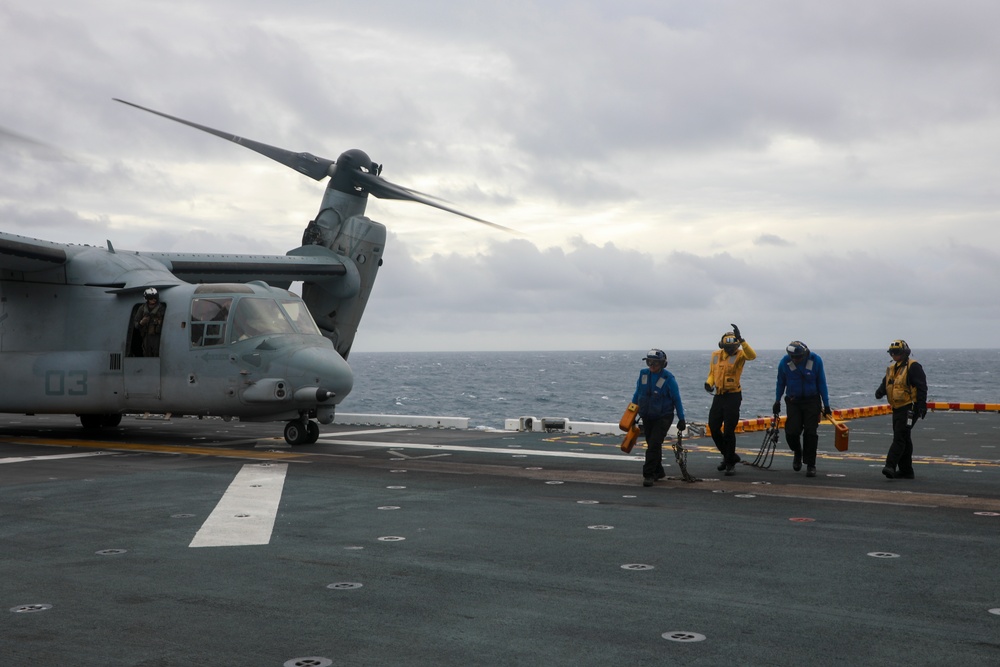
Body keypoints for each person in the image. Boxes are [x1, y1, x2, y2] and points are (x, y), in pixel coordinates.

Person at [774, 341, 831, 478]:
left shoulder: (815, 360)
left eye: (798, 357)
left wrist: (827, 404)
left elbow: (821, 382)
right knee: (792, 432)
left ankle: (811, 464)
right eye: (793, 357)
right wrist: (777, 401)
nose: (795, 360)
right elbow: (780, 382)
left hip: (812, 401)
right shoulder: (785, 362)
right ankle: (797, 451)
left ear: (804, 354)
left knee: (811, 433)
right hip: (794, 402)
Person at [705, 324, 756, 476]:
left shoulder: (740, 355)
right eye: (727, 347)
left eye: (732, 347)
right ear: (722, 345)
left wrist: (742, 340)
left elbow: (752, 355)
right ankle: (730, 456)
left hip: (733, 396)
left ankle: (729, 463)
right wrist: (709, 383)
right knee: (713, 428)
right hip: (719, 396)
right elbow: (712, 374)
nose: (730, 350)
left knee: (728, 431)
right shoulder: (715, 355)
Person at [632, 349, 686, 487]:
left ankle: (648, 474)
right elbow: (637, 393)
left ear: (662, 364)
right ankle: (659, 471)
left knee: (654, 444)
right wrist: (631, 414)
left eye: (655, 363)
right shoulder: (643, 374)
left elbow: (676, 399)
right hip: (647, 416)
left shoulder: (668, 378)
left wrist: (681, 418)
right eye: (649, 362)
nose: (652, 366)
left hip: (663, 417)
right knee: (653, 444)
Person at [875, 340, 928, 479]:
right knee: (905, 437)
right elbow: (887, 383)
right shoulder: (893, 368)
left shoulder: (914, 366)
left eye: (896, 352)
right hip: (897, 408)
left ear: (904, 353)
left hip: (910, 408)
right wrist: (880, 392)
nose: (894, 355)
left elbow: (922, 387)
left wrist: (922, 406)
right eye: (892, 353)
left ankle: (890, 465)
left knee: (900, 437)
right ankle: (906, 470)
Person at [133, 287, 166, 357]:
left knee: (157, 352)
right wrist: (141, 323)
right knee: (147, 353)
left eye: (155, 297)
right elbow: (135, 323)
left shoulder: (161, 309)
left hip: (157, 336)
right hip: (146, 336)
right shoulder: (142, 309)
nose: (154, 300)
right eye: (151, 298)